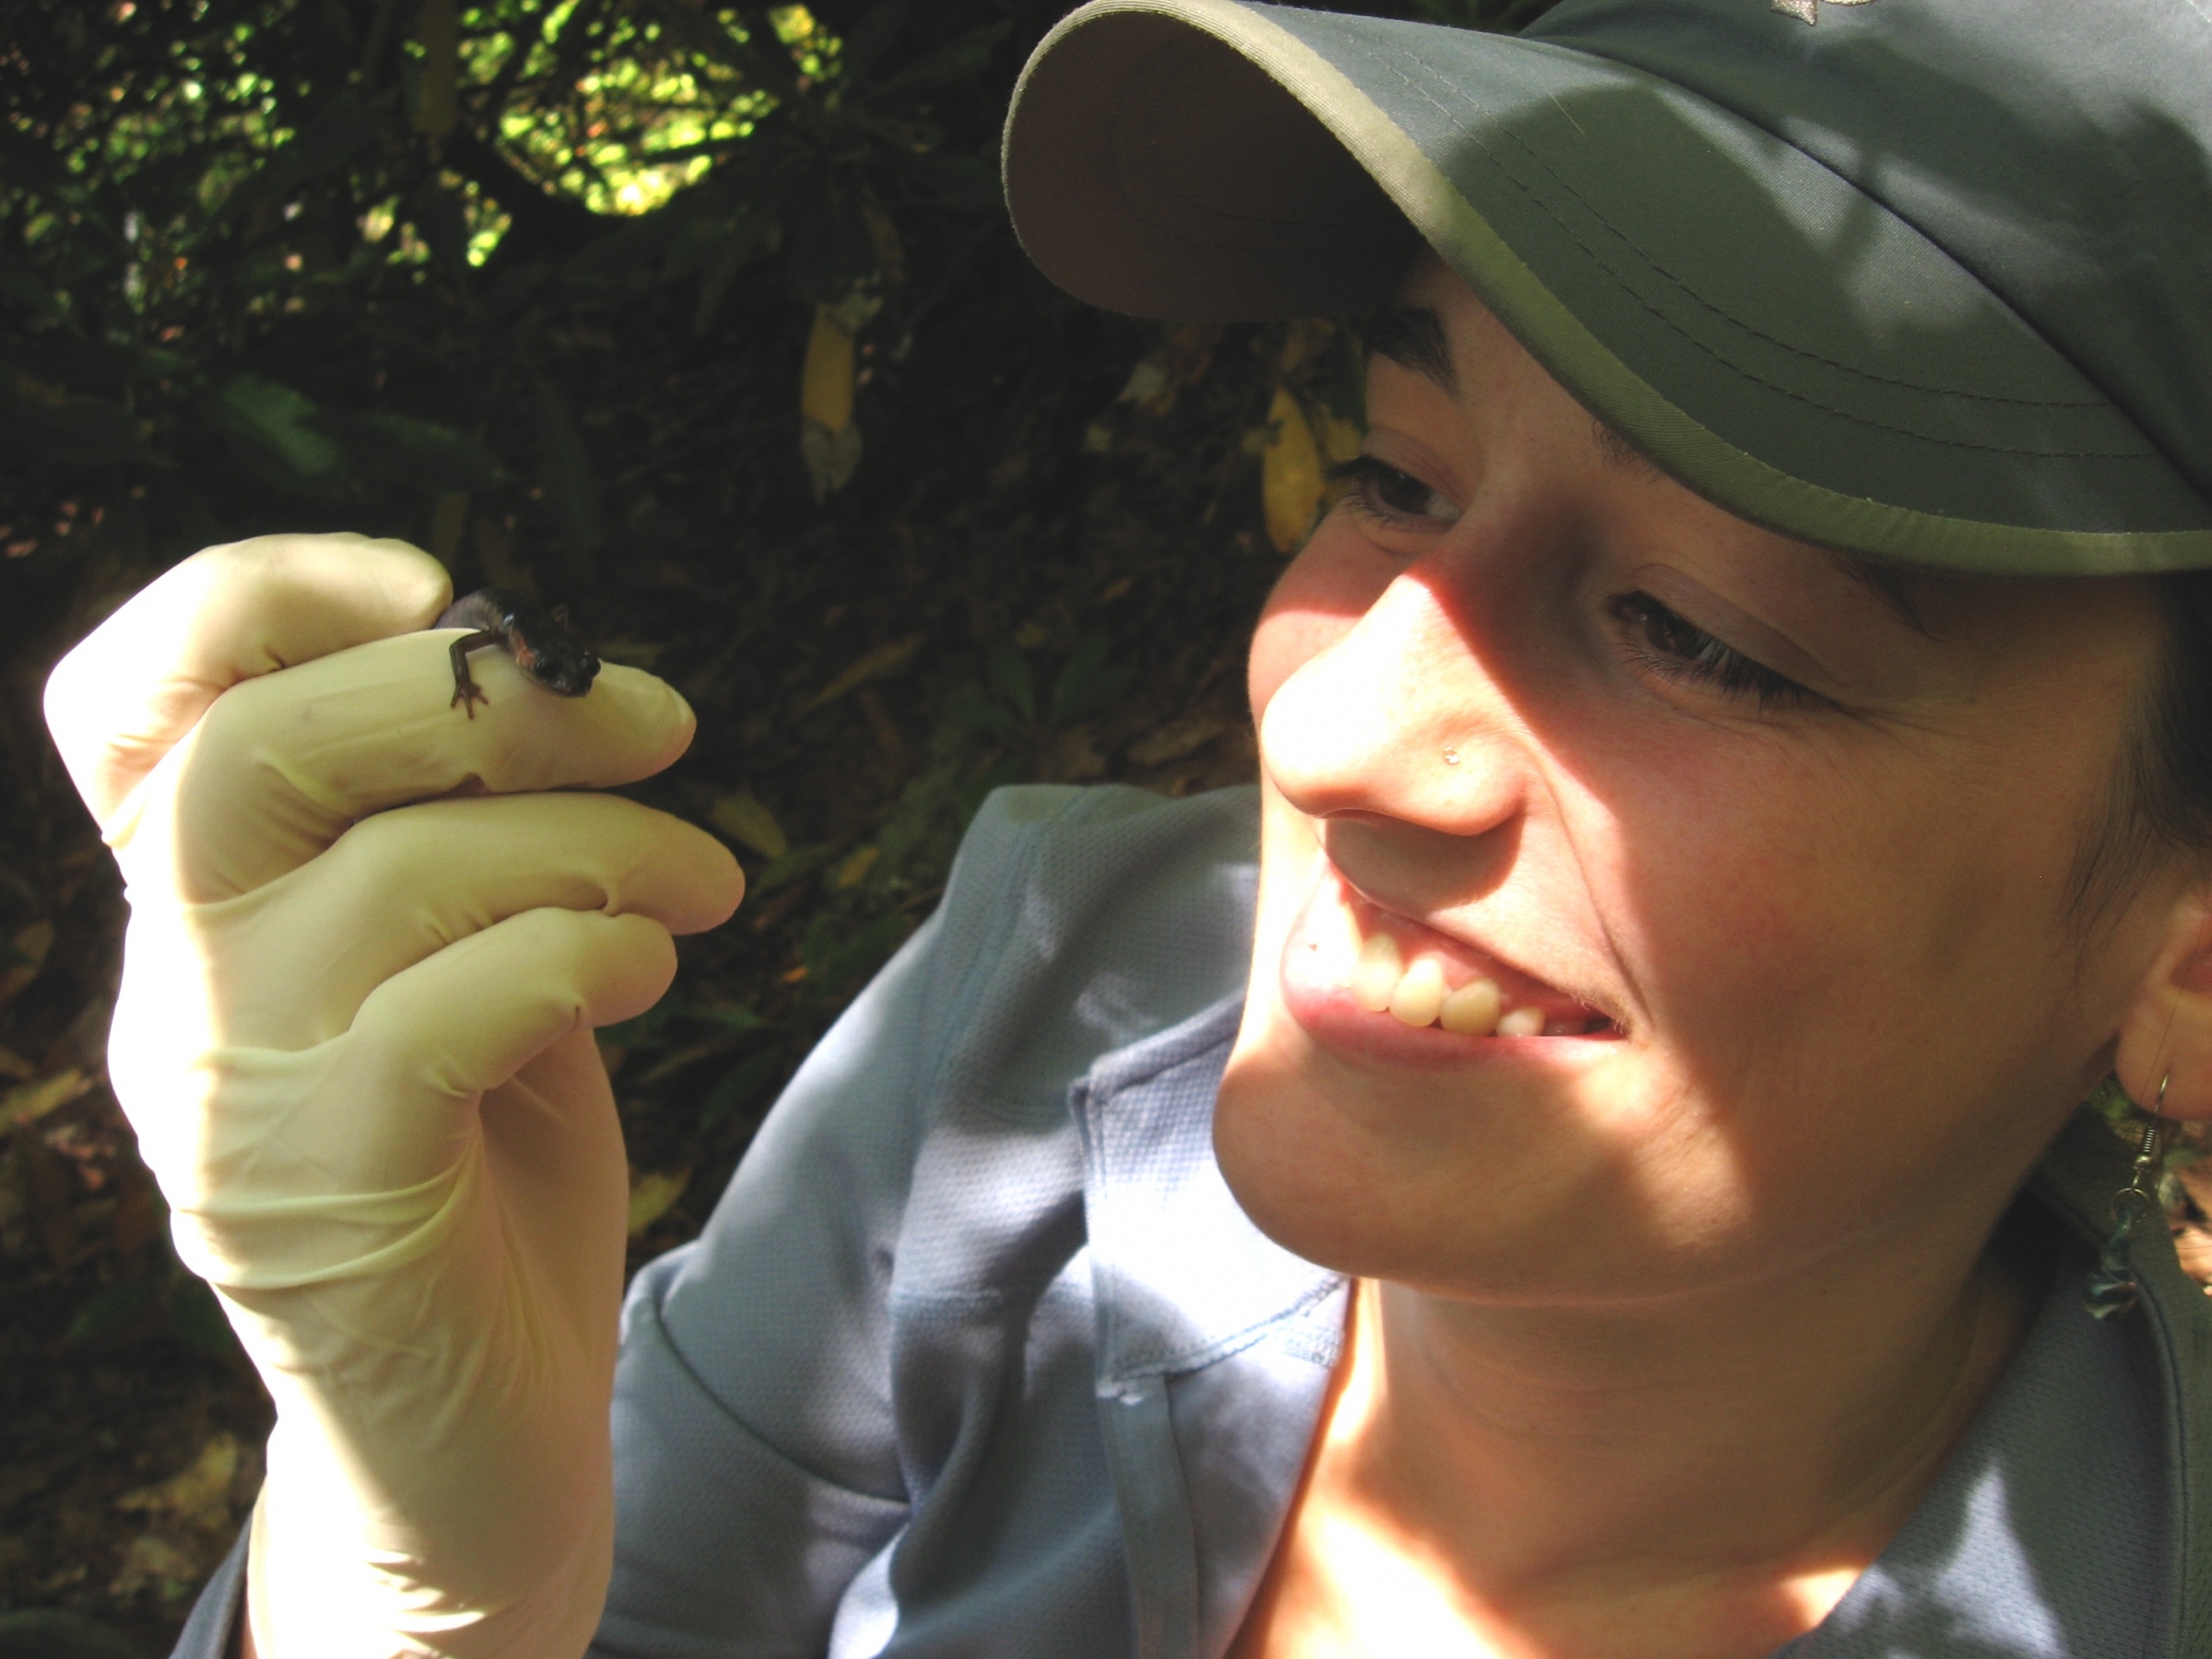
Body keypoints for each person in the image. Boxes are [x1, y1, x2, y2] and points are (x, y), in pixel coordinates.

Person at [41, 0, 2212, 1653]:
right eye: (1395, 475)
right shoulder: (1071, 978)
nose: (1332, 726)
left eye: (1706, 635)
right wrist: (396, 1586)